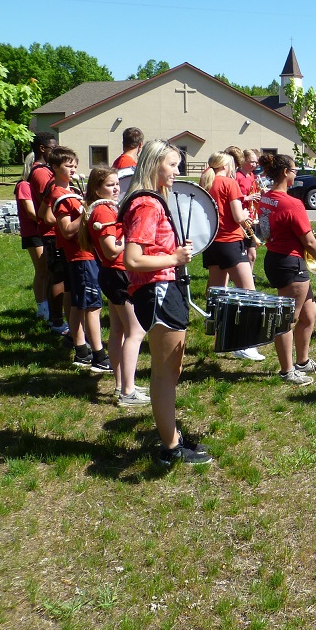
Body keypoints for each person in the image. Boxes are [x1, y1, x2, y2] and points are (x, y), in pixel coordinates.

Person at [121, 138, 212, 465]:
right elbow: (132, 258)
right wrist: (173, 257)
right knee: (163, 374)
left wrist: (173, 253)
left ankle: (171, 439)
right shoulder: (147, 205)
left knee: (168, 372)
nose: (178, 171)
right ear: (153, 164)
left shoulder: (151, 201)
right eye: (172, 165)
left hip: (162, 288)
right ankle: (171, 448)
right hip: (158, 290)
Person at [258, 153, 316, 385]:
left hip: (276, 258)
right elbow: (309, 240)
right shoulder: (293, 203)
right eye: (294, 171)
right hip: (289, 263)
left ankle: (302, 361)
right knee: (287, 320)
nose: (296, 174)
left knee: (309, 315)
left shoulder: (266, 197)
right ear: (284, 173)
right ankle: (287, 370)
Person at [83, 165, 148, 405]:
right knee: (136, 331)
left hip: (113, 275)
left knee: (119, 332)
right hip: (118, 274)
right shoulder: (103, 213)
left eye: (116, 184)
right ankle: (127, 392)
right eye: (110, 185)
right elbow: (111, 251)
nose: (116, 188)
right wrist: (132, 238)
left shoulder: (104, 209)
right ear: (97, 189)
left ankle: (122, 384)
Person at [48, 146, 110, 373]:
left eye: (75, 165)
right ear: (55, 168)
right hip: (80, 256)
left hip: (81, 255)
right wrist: (87, 211)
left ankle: (81, 350)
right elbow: (66, 230)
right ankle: (99, 356)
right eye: (67, 165)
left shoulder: (70, 190)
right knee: (92, 306)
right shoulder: (59, 195)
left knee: (77, 304)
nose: (73, 169)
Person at [200, 150, 264, 361]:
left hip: (211, 243)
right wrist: (246, 214)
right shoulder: (229, 183)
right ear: (227, 165)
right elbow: (237, 216)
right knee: (249, 293)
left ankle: (219, 337)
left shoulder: (206, 182)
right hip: (230, 241)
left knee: (217, 292)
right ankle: (244, 343)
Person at [28, 131, 68, 335]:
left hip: (56, 231)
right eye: (53, 147)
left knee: (59, 276)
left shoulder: (45, 171)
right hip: (52, 232)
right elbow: (49, 207)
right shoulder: (41, 173)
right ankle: (56, 320)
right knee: (57, 277)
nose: (56, 150)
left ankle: (59, 318)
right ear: (42, 149)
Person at [14, 155, 47, 321]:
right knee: (41, 270)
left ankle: (48, 305)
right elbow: (30, 212)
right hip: (33, 233)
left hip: (40, 232)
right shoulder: (23, 185)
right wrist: (48, 220)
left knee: (47, 270)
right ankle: (41, 307)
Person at [233, 147, 262, 271]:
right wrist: (247, 197)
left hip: (251, 216)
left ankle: (249, 275)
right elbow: (233, 197)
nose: (254, 165)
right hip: (242, 215)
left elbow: (254, 192)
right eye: (252, 161)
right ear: (243, 160)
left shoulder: (251, 176)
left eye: (256, 162)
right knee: (244, 251)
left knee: (252, 253)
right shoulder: (237, 176)